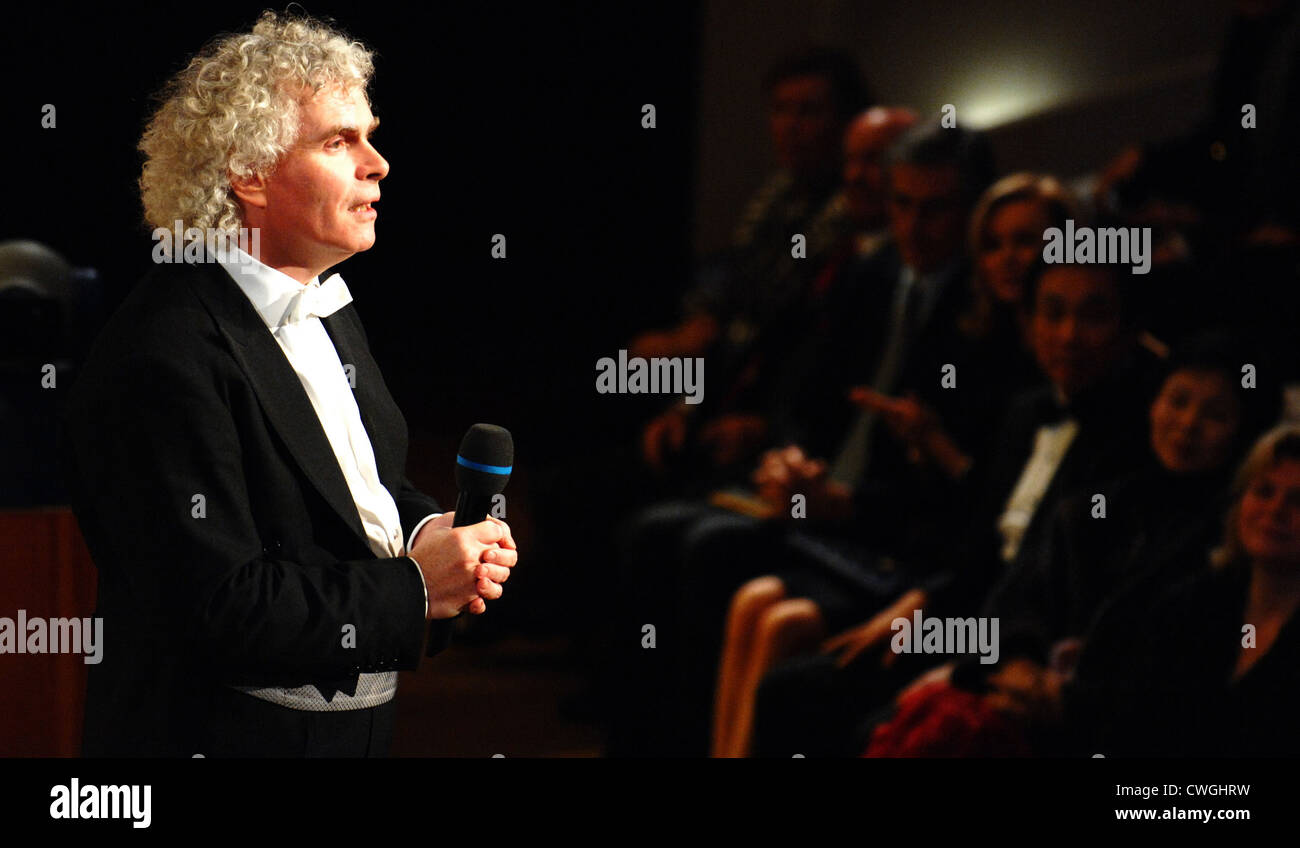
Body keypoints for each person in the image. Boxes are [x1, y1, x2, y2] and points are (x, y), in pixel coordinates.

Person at [62, 11, 518, 757]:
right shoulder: (162, 353)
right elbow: (217, 606)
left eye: (369, 135)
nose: (378, 164)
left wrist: (425, 531)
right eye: (339, 141)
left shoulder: (323, 304)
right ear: (249, 172)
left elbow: (345, 487)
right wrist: (414, 587)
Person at [711, 172, 1075, 756]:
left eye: (1028, 241)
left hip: (946, 579)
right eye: (996, 243)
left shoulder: (1056, 373)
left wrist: (938, 457)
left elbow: (996, 526)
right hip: (918, 552)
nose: (1010, 259)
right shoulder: (961, 338)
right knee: (753, 598)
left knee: (783, 628)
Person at [1068, 423, 1300, 756]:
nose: (1276, 510)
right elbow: (1127, 729)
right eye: (1263, 491)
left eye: (1298, 501)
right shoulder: (1191, 604)